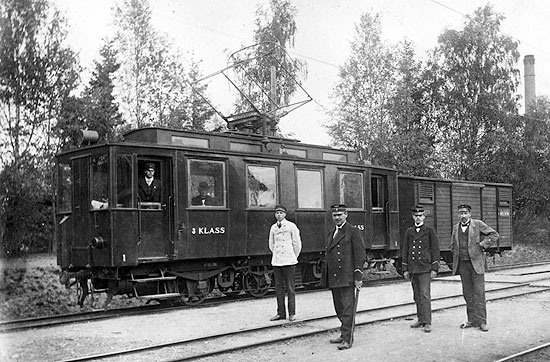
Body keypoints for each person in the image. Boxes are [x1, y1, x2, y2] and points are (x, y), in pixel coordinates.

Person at [321, 204, 366, 350]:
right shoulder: (330, 233)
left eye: (340, 215)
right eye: (335, 215)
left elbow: (360, 254)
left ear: (346, 214)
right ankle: (344, 333)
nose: (337, 218)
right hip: (334, 277)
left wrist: (358, 275)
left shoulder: (353, 231)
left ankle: (347, 338)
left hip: (347, 276)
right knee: (339, 308)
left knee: (347, 309)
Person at [450, 204, 499, 332]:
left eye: (465, 213)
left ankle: (482, 321)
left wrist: (482, 245)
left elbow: (494, 235)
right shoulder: (456, 228)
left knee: (479, 293)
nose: (463, 215)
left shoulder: (477, 224)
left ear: (470, 214)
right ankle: (472, 320)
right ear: (458, 215)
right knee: (467, 293)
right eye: (460, 213)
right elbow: (453, 244)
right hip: (463, 265)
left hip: (476, 264)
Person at [402, 205, 440, 333]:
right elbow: (405, 249)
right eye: (415, 216)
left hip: (424, 267)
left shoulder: (429, 230)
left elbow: (435, 249)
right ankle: (421, 319)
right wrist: (405, 268)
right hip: (413, 268)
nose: (418, 218)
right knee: (417, 295)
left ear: (424, 216)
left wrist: (434, 268)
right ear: (413, 217)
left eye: (420, 216)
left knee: (424, 295)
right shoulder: (409, 231)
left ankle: (427, 322)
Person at [268, 204, 302, 322]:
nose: (279, 215)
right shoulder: (273, 227)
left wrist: (292, 257)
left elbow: (297, 244)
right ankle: (281, 313)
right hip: (277, 261)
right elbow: (271, 244)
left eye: (281, 213)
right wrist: (277, 255)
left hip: (289, 261)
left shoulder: (291, 226)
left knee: (290, 288)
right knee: (278, 288)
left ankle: (292, 313)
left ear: (285, 214)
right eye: (277, 213)